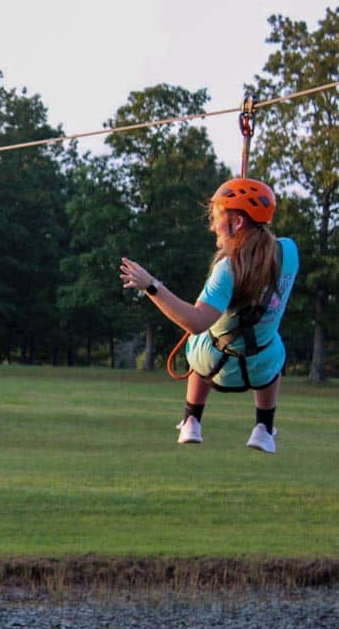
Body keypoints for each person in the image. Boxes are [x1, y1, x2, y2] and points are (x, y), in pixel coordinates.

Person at [119, 177, 298, 453]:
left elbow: (196, 322)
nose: (213, 226)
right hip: (262, 365)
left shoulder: (227, 270)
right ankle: (264, 428)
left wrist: (151, 286)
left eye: (216, 218)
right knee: (272, 346)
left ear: (237, 222)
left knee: (200, 340)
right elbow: (258, 253)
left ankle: (192, 418)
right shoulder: (288, 251)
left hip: (215, 364)